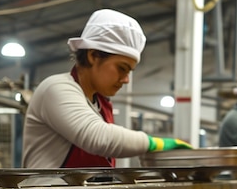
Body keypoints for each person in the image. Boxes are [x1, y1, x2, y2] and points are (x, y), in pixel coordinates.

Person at [22, 9, 192, 168]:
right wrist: (158, 144)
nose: (126, 79)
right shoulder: (56, 88)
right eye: (122, 68)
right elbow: (98, 138)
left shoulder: (101, 105)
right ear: (93, 55)